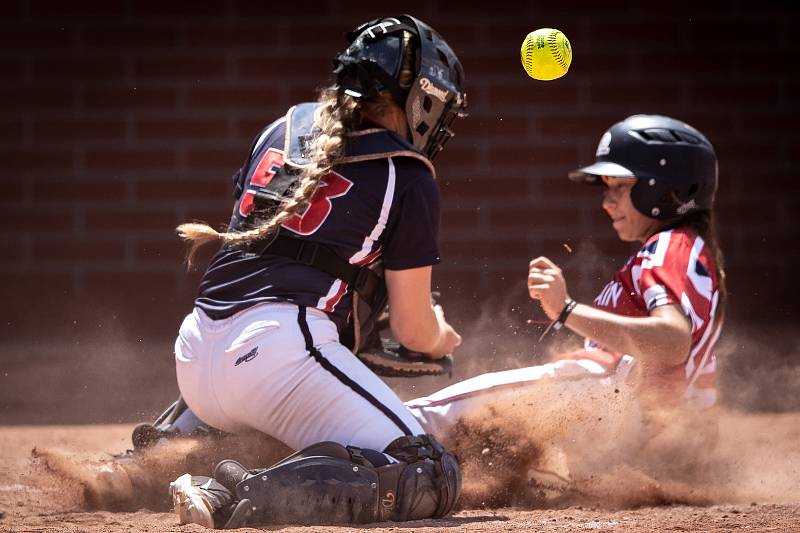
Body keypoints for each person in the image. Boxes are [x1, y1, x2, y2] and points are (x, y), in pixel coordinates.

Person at [166, 15, 467, 528]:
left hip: (193, 356)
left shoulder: (282, 126)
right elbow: (415, 330)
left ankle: (155, 454)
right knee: (429, 473)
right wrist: (443, 338)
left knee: (295, 369)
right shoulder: (408, 175)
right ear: (416, 98)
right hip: (278, 357)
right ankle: (229, 494)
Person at [405, 115, 726, 473]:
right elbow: (697, 385)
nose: (607, 201)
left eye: (620, 185)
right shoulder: (694, 255)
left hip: (607, 393)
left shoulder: (667, 247)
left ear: (667, 189)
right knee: (480, 455)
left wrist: (566, 309)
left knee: (421, 419)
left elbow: (673, 341)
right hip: (621, 420)